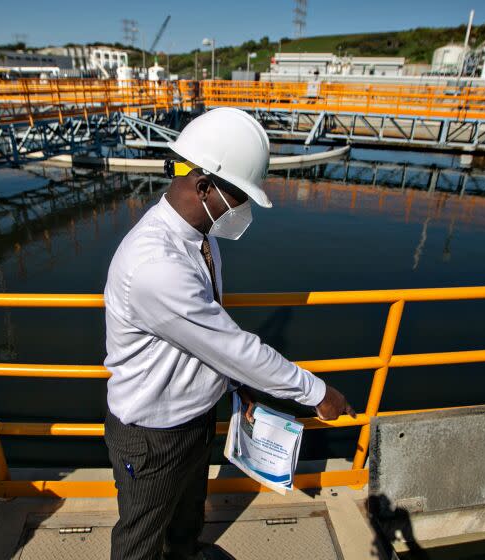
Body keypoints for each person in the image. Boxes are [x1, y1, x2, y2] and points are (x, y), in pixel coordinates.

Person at [103, 107, 356, 560]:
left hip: (195, 419)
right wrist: (316, 392)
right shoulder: (155, 265)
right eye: (240, 197)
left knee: (186, 520)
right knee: (139, 539)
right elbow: (233, 345)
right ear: (204, 187)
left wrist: (238, 386)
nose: (243, 210)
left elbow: (210, 333)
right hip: (152, 433)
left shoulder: (200, 236)